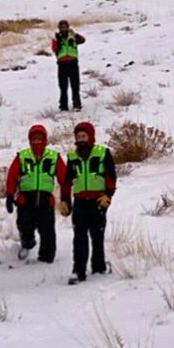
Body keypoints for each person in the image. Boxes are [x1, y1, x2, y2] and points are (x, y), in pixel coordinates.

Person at [60, 122, 117, 285]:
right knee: (79, 238)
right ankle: (78, 271)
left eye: (84, 136)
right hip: (79, 203)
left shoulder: (103, 153)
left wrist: (108, 195)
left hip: (98, 202)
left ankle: (99, 267)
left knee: (97, 236)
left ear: (91, 137)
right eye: (78, 137)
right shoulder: (72, 157)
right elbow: (66, 182)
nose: (81, 140)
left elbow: (111, 177)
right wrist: (65, 200)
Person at [5, 124, 67, 263]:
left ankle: (47, 259)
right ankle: (27, 243)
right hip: (25, 200)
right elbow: (12, 176)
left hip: (46, 200)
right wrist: (9, 195)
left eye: (39, 139)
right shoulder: (22, 156)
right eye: (34, 139)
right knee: (24, 225)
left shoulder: (54, 157)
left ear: (45, 140)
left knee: (47, 231)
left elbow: (64, 179)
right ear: (29, 140)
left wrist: (66, 198)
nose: (36, 142)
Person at [51, 19, 85, 112]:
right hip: (62, 64)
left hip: (73, 62)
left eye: (65, 27)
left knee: (75, 86)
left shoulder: (73, 36)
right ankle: (63, 106)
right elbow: (54, 49)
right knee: (63, 87)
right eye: (62, 27)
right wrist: (56, 39)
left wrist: (75, 34)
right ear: (59, 28)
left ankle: (77, 105)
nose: (64, 29)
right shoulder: (57, 38)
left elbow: (82, 40)